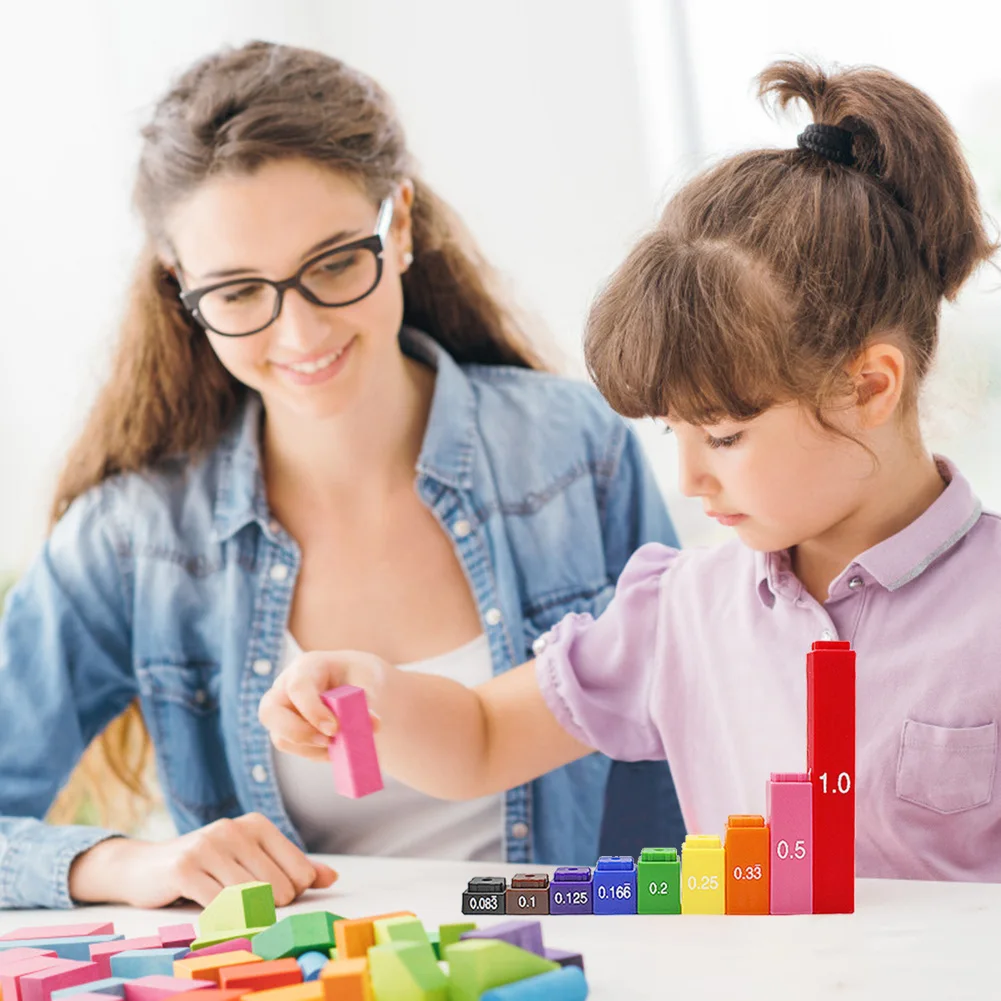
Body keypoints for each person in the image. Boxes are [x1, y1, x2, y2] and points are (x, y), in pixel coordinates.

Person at [262, 59, 1001, 882]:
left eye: (722, 435)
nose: (688, 477)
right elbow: (480, 735)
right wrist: (376, 694)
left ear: (868, 386)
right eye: (671, 431)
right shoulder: (679, 611)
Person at [0, 41, 685, 911]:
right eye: (240, 292)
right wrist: (135, 865)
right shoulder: (136, 537)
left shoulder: (571, 451)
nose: (299, 334)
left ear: (397, 225)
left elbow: (685, 761)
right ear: (180, 286)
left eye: (332, 264)